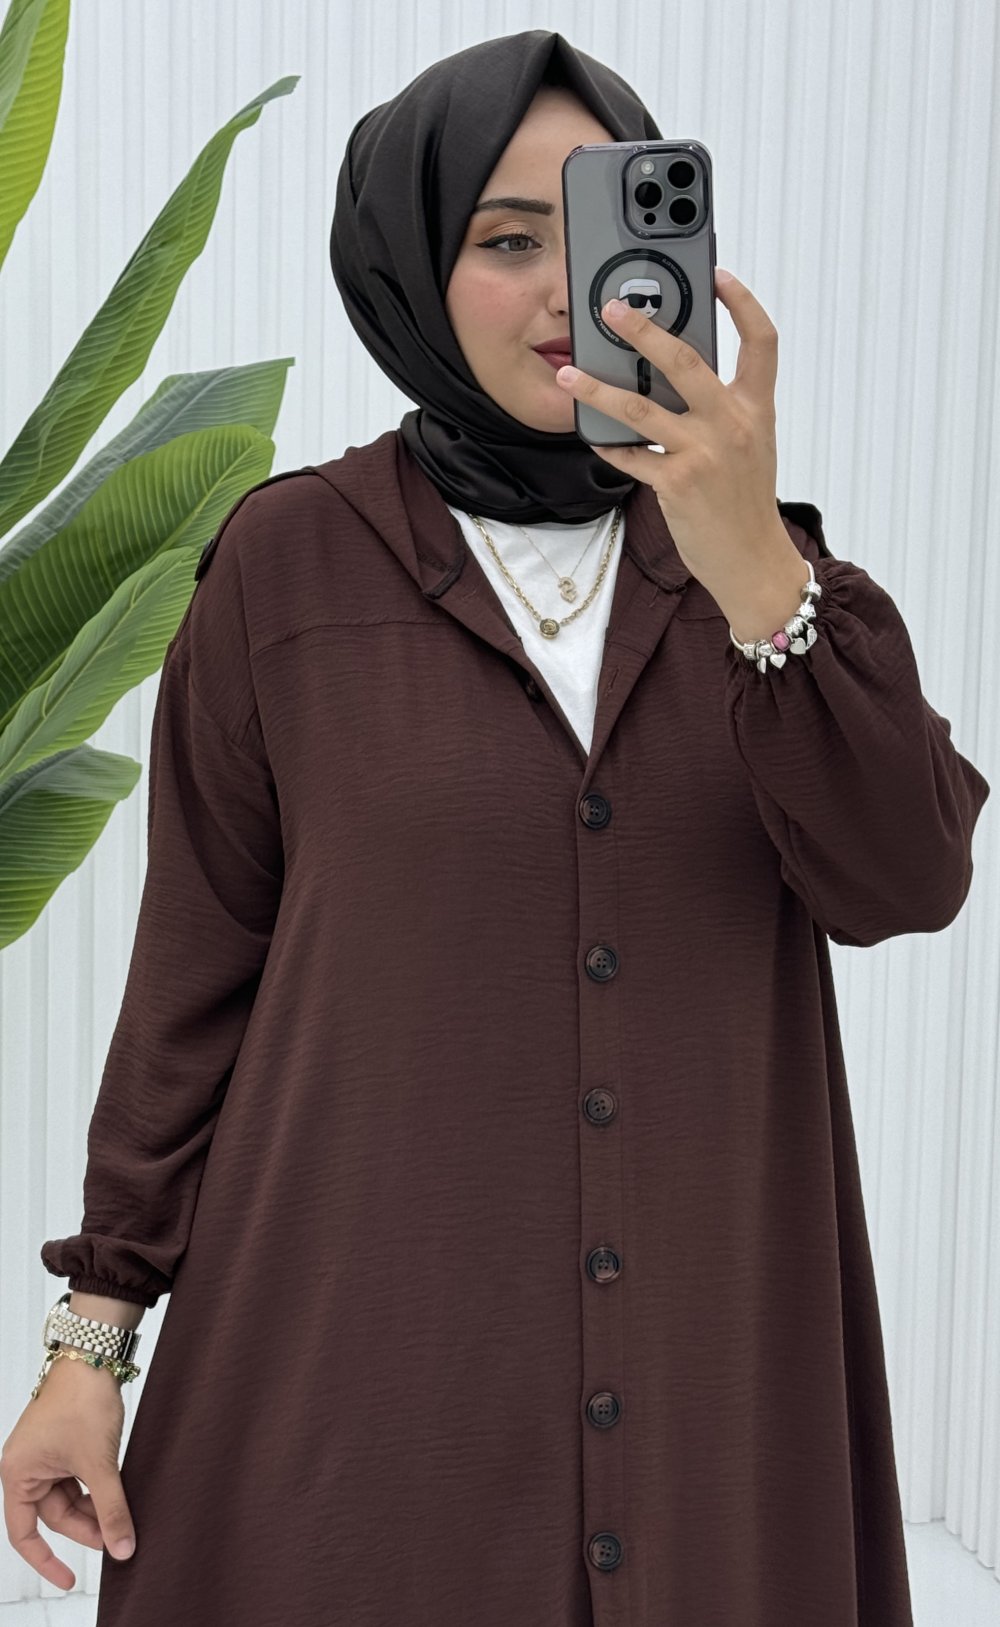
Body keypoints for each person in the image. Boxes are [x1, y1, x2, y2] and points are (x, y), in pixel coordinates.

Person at [1, 28, 990, 1627]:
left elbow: (911, 880)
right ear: (411, 264)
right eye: (508, 240)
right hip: (360, 1399)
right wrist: (88, 1347)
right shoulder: (285, 569)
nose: (564, 294)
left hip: (708, 1410)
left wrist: (757, 570)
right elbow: (194, 977)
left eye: (595, 234)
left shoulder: (777, 585)